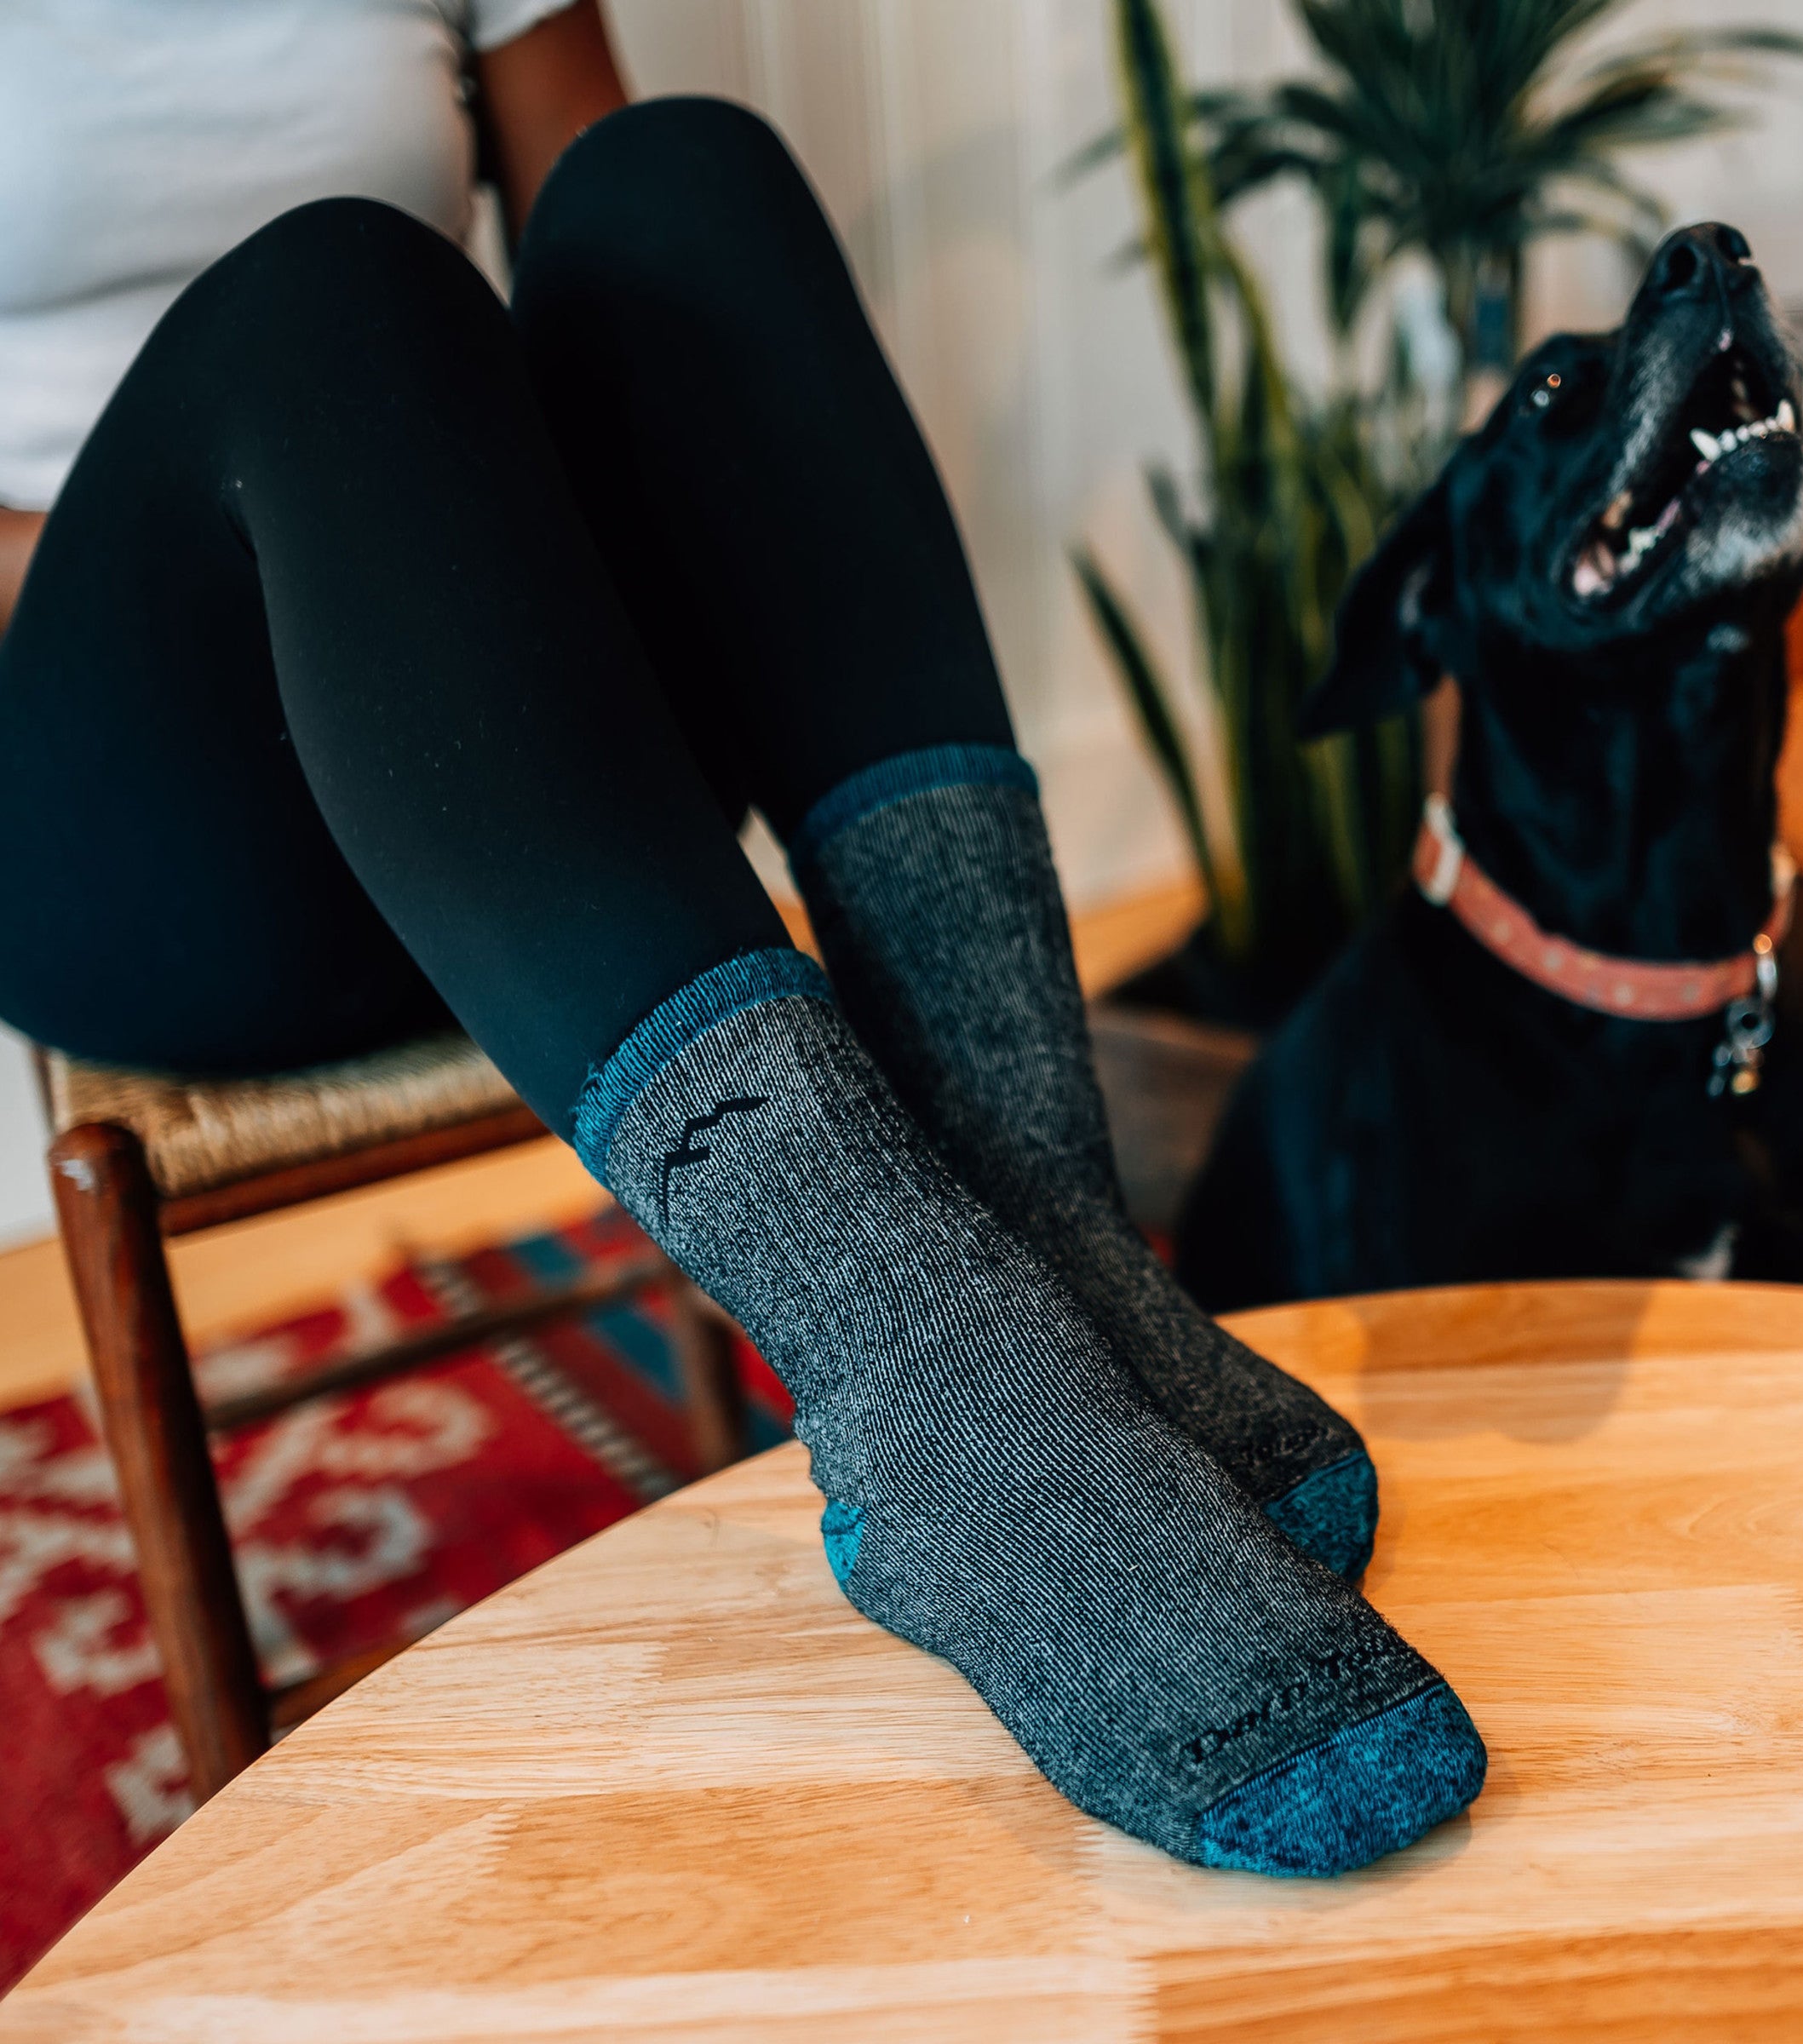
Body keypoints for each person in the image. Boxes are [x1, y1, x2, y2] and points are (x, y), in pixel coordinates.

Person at [0, 3, 1484, 1874]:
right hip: (143, 805)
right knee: (330, 296)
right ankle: (931, 1385)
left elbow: (602, 283)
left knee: (683, 178)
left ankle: (1048, 1242)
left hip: (484, 732)